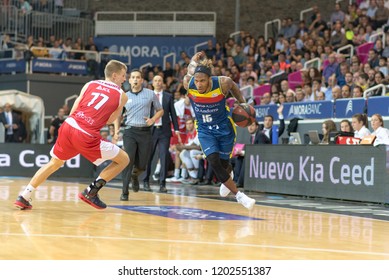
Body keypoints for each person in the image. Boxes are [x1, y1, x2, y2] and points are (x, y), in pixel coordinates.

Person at [14, 60, 130, 210]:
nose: (125, 79)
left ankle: (24, 196)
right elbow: (110, 120)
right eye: (123, 75)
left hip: (69, 125)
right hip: (86, 134)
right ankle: (91, 191)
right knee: (124, 160)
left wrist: (74, 121)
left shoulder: (90, 84)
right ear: (114, 75)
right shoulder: (122, 95)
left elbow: (76, 104)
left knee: (54, 163)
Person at [183, 51, 255, 210]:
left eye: (203, 81)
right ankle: (239, 195)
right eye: (197, 80)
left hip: (224, 128)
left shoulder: (223, 83)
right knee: (213, 161)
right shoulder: (189, 83)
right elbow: (189, 72)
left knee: (223, 164)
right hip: (205, 129)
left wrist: (242, 105)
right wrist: (193, 61)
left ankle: (228, 177)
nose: (199, 84)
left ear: (210, 79)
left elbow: (234, 86)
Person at [120, 69, 164, 201]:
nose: (135, 79)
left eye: (137, 77)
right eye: (132, 77)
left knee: (142, 165)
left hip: (145, 132)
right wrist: (117, 129)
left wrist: (152, 120)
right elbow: (118, 114)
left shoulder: (150, 94)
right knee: (128, 161)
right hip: (130, 131)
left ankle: (135, 175)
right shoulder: (124, 96)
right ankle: (124, 192)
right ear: (129, 80)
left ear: (142, 80)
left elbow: (160, 110)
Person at [143, 75, 180, 193]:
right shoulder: (148, 96)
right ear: (152, 83)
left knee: (164, 157)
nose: (158, 82)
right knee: (148, 157)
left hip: (164, 131)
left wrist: (177, 129)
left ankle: (162, 183)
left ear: (163, 83)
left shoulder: (168, 96)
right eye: (156, 81)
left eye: (160, 80)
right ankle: (145, 181)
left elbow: (173, 114)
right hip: (151, 131)